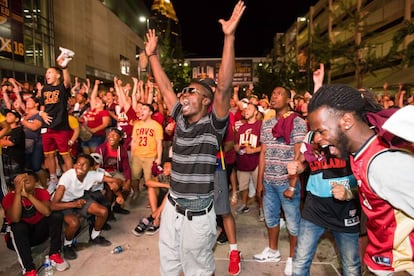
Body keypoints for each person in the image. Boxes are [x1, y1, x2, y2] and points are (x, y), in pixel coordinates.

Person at [144, 1, 245, 275]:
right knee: (169, 267)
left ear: (205, 101)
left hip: (198, 217)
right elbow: (165, 88)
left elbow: (223, 87)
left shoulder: (213, 126)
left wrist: (229, 37)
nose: (183, 94)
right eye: (184, 91)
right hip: (172, 209)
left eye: (190, 92)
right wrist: (152, 56)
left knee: (198, 270)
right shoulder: (179, 118)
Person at [306, 84, 414, 275]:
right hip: (379, 263)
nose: (318, 140)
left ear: (346, 120)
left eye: (322, 131)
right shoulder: (360, 154)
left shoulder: (384, 164)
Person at [289, 131, 361, 276]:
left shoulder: (351, 137)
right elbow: (304, 164)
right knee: (300, 263)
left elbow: (369, 185)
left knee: (351, 266)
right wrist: (297, 167)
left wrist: (349, 192)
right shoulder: (309, 137)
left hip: (345, 211)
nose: (319, 137)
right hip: (315, 208)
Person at [254, 86, 308, 276]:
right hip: (269, 180)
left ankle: (293, 258)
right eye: (272, 93)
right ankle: (273, 251)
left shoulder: (298, 122)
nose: (273, 96)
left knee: (293, 222)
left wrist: (293, 185)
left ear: (288, 99)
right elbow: (263, 153)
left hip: (286, 181)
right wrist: (260, 181)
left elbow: (298, 154)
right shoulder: (267, 124)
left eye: (278, 94)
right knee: (271, 218)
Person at [51, 153, 120, 260]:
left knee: (103, 211)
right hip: (63, 203)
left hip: (79, 199)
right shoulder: (68, 177)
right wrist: (74, 204)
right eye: (78, 163)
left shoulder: (91, 175)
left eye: (84, 164)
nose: (80, 166)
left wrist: (114, 184)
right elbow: (53, 205)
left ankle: (94, 236)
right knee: (74, 223)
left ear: (90, 168)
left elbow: (114, 180)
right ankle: (67, 245)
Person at [1, 171, 69, 275]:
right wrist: (18, 194)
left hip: (38, 234)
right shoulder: (10, 197)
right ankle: (29, 269)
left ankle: (54, 254)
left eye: (27, 180)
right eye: (21, 181)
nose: (24, 182)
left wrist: (29, 196)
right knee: (18, 226)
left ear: (35, 182)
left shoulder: (41, 192)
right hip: (21, 238)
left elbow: (46, 212)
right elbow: (14, 218)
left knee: (56, 216)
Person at [39, 47, 74, 193]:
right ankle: (53, 179)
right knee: (49, 155)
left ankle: (71, 180)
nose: (47, 74)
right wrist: (41, 114)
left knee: (65, 155)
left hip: (61, 127)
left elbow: (67, 82)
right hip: (46, 127)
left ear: (58, 76)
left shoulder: (62, 87)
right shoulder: (44, 89)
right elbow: (41, 106)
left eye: (50, 72)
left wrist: (64, 66)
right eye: (46, 72)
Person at [234, 103, 262, 217]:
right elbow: (236, 144)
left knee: (259, 187)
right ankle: (244, 204)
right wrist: (237, 149)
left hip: (256, 162)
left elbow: (265, 146)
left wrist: (254, 150)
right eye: (245, 109)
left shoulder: (261, 125)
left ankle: (261, 208)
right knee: (243, 187)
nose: (246, 110)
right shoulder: (241, 127)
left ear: (256, 112)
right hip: (242, 162)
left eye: (249, 109)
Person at [95, 127, 132, 215]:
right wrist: (109, 182)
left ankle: (117, 206)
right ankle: (107, 213)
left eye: (115, 135)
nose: (111, 137)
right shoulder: (100, 148)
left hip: (114, 172)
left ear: (120, 138)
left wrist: (128, 181)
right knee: (110, 191)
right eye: (110, 134)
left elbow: (126, 167)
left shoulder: (122, 150)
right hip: (102, 172)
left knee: (127, 189)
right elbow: (96, 167)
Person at [132, 160, 171, 236]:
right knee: (151, 188)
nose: (164, 169)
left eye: (167, 167)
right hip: (160, 202)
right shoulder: (163, 175)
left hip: (170, 205)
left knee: (170, 193)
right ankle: (156, 218)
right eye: (164, 167)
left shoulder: (177, 178)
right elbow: (148, 182)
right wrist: (166, 185)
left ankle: (152, 219)